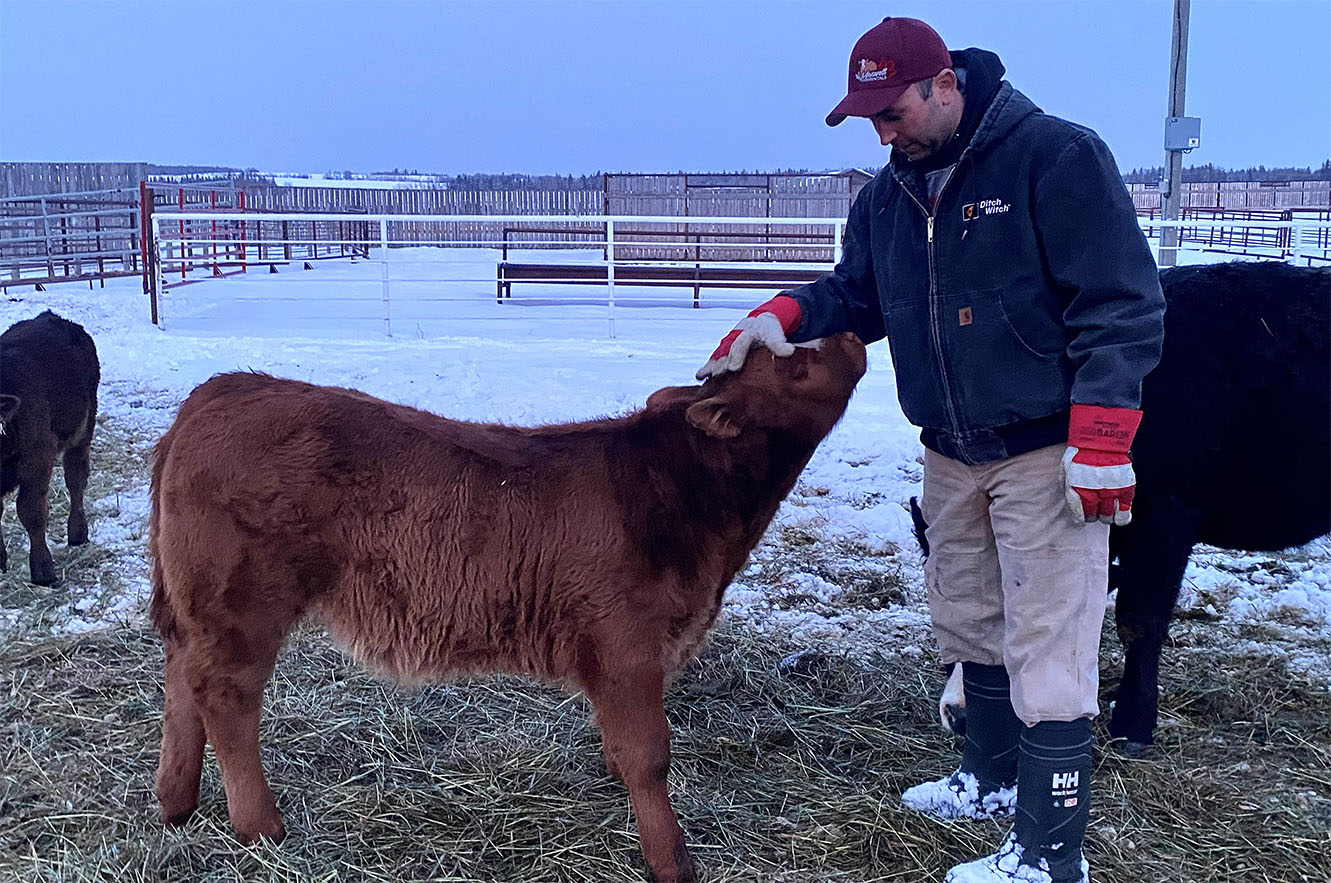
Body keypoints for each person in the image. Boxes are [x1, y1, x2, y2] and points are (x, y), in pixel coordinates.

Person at [696, 16, 1165, 883]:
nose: (882, 133)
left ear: (943, 85)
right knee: (969, 621)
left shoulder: (1053, 158)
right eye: (868, 120)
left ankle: (1049, 854)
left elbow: (1120, 304)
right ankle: (986, 778)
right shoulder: (886, 198)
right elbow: (857, 294)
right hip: (948, 449)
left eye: (892, 111)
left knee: (1048, 643)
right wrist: (783, 316)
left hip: (1045, 446)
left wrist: (1103, 437)